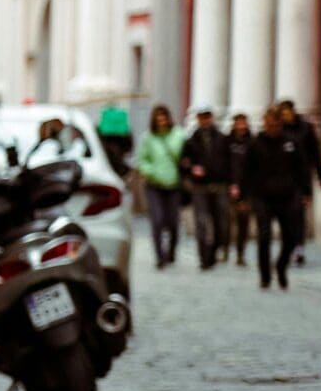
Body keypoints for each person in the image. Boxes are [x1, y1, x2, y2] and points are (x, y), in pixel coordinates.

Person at [242, 107, 309, 288]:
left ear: (280, 124)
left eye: (276, 124)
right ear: (265, 123)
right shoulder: (256, 144)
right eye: (269, 123)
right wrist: (243, 197)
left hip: (287, 196)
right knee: (264, 236)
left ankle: (280, 266)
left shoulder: (291, 143)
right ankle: (264, 275)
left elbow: (302, 168)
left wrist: (306, 192)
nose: (272, 127)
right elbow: (246, 172)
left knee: (291, 237)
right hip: (262, 197)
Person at [179, 107, 232, 269]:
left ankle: (215, 249)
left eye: (207, 117)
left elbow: (230, 162)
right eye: (201, 117)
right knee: (201, 222)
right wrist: (191, 169)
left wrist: (229, 181)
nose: (204, 120)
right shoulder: (191, 140)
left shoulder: (222, 139)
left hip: (219, 185)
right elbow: (183, 163)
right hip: (199, 187)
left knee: (220, 222)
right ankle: (204, 256)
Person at [136, 104, 186, 268]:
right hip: (154, 184)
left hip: (173, 184)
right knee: (157, 220)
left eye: (164, 119)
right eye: (158, 120)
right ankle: (159, 256)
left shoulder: (178, 134)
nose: (162, 122)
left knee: (172, 222)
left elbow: (185, 156)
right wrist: (150, 172)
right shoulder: (148, 137)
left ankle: (171, 252)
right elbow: (142, 160)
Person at [276, 100, 321, 266]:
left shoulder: (305, 128)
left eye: (287, 112)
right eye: (282, 113)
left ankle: (299, 247)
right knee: (285, 215)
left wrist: (320, 175)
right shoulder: (278, 130)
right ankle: (288, 246)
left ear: (293, 112)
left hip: (301, 178)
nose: (285, 116)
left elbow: (315, 152)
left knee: (298, 213)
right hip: (282, 179)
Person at [226, 112, 255, 266]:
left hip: (247, 189)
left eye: (244, 123)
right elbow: (223, 164)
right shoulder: (227, 142)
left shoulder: (253, 142)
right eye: (239, 123)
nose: (241, 127)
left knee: (243, 222)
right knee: (226, 221)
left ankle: (240, 253)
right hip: (228, 186)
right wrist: (230, 184)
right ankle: (224, 249)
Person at [96, 103, 133, 177]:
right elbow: (129, 147)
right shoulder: (123, 131)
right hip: (116, 167)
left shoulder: (100, 131)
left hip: (108, 166)